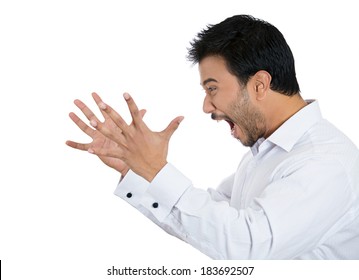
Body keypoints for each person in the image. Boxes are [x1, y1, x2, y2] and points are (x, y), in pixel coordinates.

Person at [66, 15, 359, 259]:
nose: (207, 106)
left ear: (259, 84)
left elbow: (247, 246)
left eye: (213, 88)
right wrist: (138, 170)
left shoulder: (324, 162)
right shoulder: (266, 153)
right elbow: (215, 220)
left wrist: (157, 171)